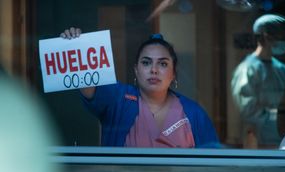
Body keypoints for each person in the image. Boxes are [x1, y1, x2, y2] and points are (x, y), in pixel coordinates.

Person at [61, 28, 220, 148]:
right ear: (136, 70)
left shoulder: (194, 113)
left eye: (163, 64)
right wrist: (76, 45)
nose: (154, 70)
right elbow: (89, 87)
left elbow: (213, 165)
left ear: (173, 74)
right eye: (146, 62)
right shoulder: (119, 99)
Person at [231, 14, 285, 148]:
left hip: (284, 141)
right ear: (266, 36)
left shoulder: (283, 70)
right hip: (260, 144)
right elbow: (248, 110)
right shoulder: (247, 70)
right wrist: (276, 116)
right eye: (281, 36)